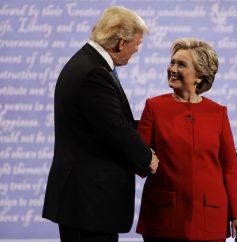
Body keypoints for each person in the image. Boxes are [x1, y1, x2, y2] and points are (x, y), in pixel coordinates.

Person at [42, 6, 159, 242]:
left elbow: (108, 122)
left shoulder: (88, 63)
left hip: (85, 202)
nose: (135, 51)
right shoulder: (93, 72)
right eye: (136, 46)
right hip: (88, 202)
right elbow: (115, 129)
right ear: (120, 43)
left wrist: (156, 129)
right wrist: (147, 158)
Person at [136, 38, 237, 242]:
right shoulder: (154, 107)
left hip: (208, 217)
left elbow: (230, 167)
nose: (173, 69)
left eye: (181, 64)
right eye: (172, 62)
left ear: (199, 76)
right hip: (163, 216)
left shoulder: (217, 112)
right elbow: (139, 159)